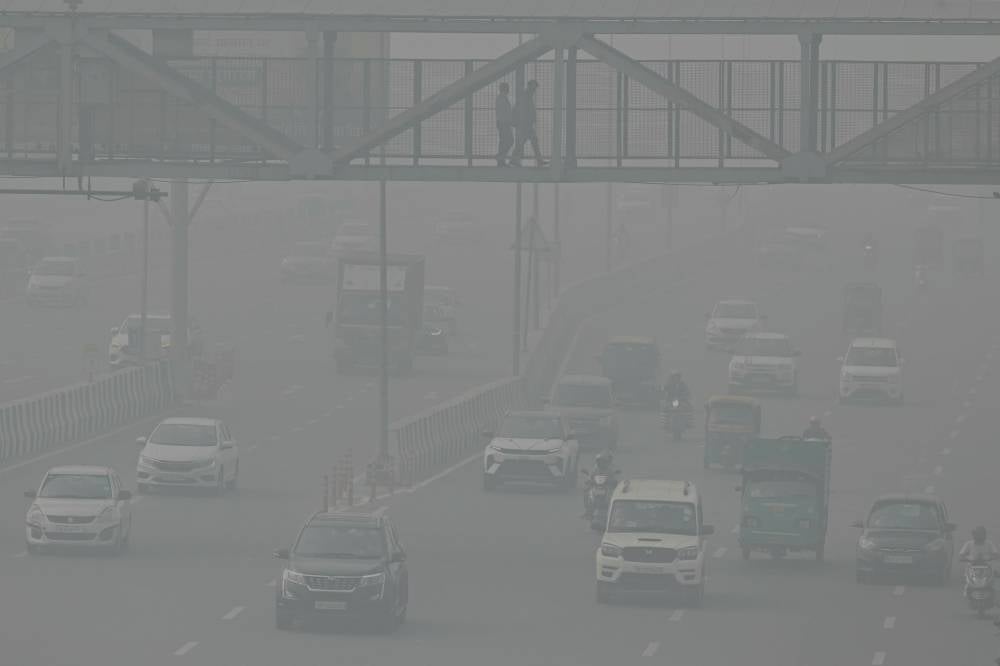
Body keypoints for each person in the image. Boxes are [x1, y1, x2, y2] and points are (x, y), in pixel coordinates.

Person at [510, 80, 546, 167]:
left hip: (526, 124)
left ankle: (538, 160)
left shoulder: (526, 96)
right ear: (530, 86)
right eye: (534, 87)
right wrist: (525, 123)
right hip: (525, 124)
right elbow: (523, 111)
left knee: (529, 141)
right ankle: (515, 160)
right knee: (524, 142)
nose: (535, 89)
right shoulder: (526, 96)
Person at [583, 451, 617, 519]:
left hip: (607, 487)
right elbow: (590, 477)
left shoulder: (610, 470)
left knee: (613, 495)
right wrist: (588, 480)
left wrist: (613, 482)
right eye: (599, 461)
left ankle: (613, 512)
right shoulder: (595, 469)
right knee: (586, 491)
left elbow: (614, 478)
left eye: (603, 461)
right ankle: (587, 511)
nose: (601, 463)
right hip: (596, 486)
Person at [494, 82, 514, 167]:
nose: (509, 89)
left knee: (503, 141)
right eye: (508, 88)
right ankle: (500, 157)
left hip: (502, 123)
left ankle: (500, 159)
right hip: (504, 123)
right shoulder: (502, 99)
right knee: (509, 140)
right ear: (505, 89)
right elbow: (504, 113)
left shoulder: (501, 98)